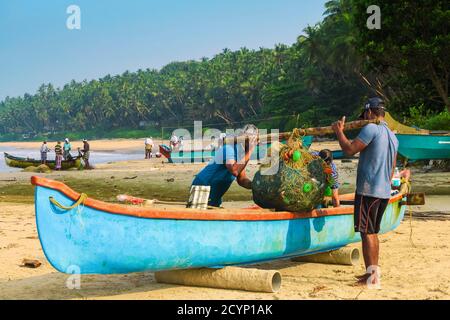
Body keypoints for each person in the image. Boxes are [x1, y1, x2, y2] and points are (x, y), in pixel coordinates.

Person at [332, 97, 398, 287]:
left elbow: (349, 150)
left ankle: (372, 278)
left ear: (369, 113)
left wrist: (339, 132)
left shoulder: (371, 129)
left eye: (365, 114)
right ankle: (372, 273)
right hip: (384, 192)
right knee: (371, 232)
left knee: (366, 232)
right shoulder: (393, 136)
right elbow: (392, 168)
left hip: (369, 191)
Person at [191, 125, 258, 207]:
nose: (251, 140)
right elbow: (235, 171)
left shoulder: (242, 154)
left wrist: (256, 185)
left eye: (253, 137)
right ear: (241, 134)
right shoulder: (229, 148)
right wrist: (250, 150)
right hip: (203, 188)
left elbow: (242, 179)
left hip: (215, 194)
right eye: (249, 136)